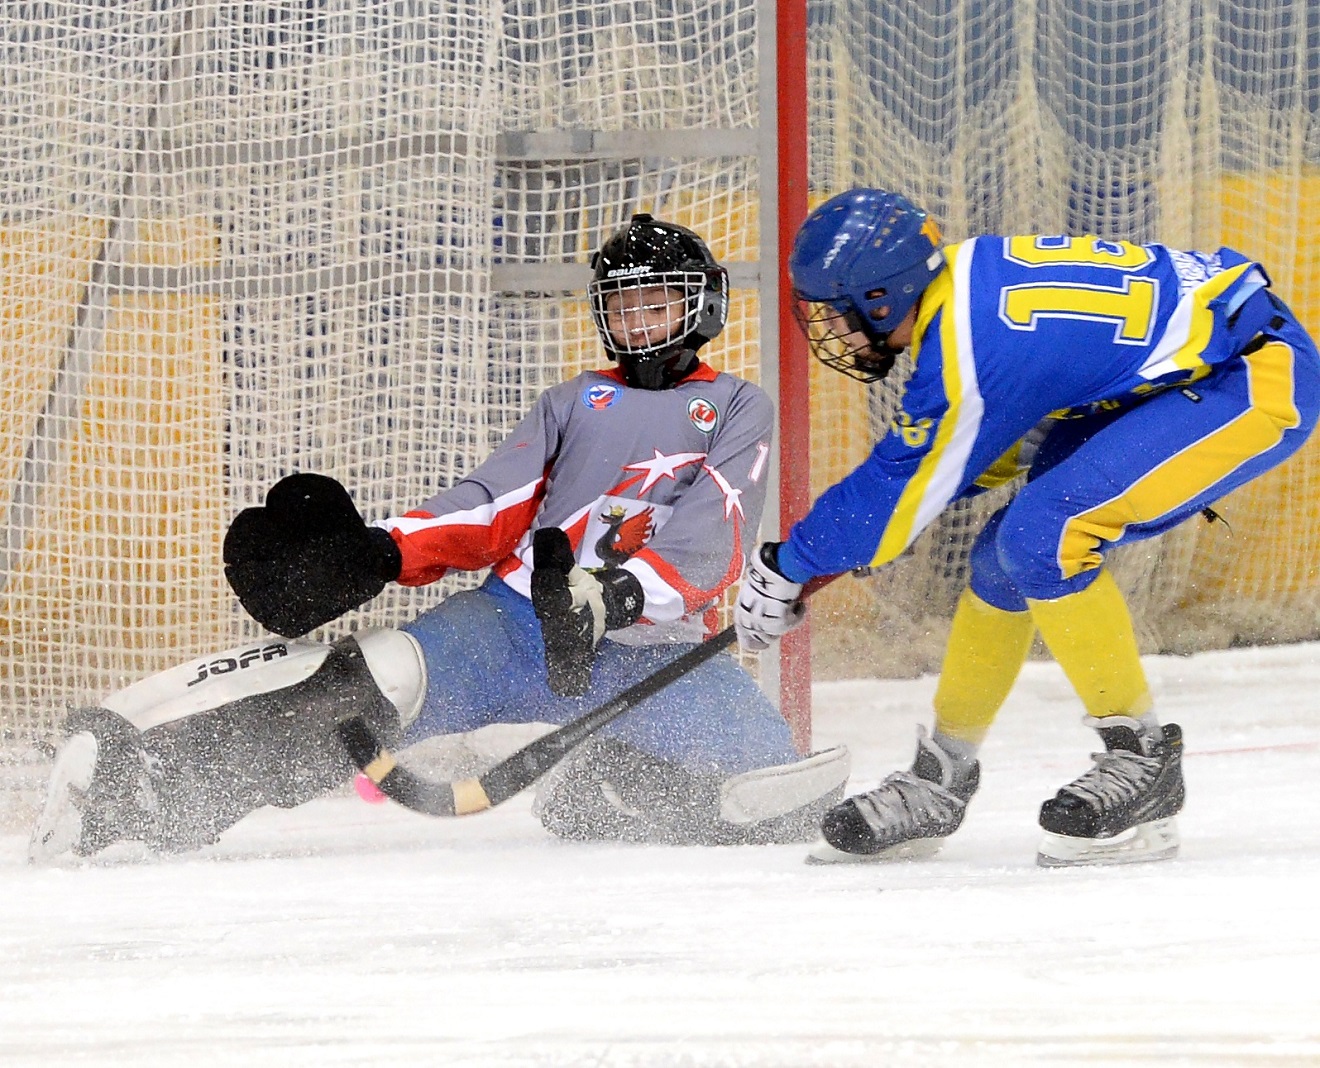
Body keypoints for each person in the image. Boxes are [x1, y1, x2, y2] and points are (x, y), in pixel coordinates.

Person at [30, 214, 849, 861]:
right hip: (515, 624)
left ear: (699, 304)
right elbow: (492, 502)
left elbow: (719, 532)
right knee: (378, 684)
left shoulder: (739, 406)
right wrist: (382, 548)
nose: (638, 321)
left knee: (777, 793)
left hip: (653, 650)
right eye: (623, 303)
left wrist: (618, 594)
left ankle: (608, 787)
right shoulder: (572, 403)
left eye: (656, 301)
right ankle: (152, 790)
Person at [735, 188, 1320, 867]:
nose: (834, 328)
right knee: (1002, 559)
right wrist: (870, 531)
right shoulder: (963, 292)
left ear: (885, 298)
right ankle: (941, 779)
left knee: (1043, 538)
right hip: (1164, 375)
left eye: (840, 311)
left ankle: (1145, 763)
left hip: (1250, 374)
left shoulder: (968, 346)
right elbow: (956, 466)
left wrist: (791, 562)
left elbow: (896, 492)